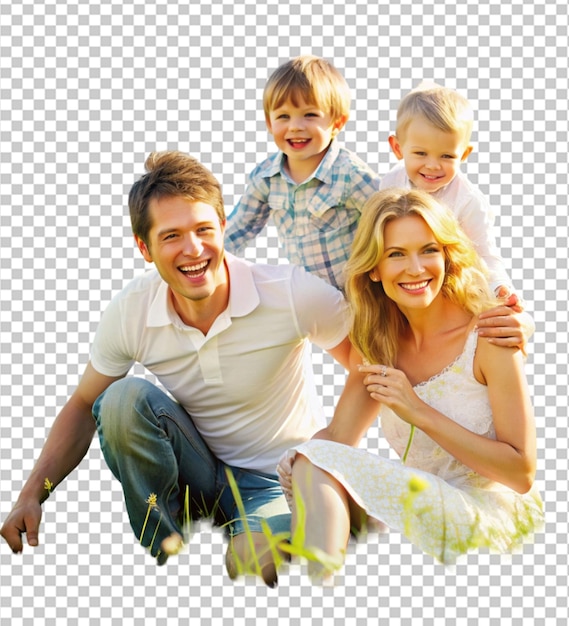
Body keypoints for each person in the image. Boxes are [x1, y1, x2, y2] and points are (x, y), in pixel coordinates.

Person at [0, 151, 351, 588]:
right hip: (192, 475)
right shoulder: (132, 310)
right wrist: (32, 493)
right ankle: (162, 551)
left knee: (255, 568)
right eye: (171, 236)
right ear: (144, 248)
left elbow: (370, 368)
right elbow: (83, 404)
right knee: (120, 400)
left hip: (270, 480)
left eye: (204, 229)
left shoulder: (291, 293)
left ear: (224, 228)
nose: (193, 249)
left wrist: (335, 445)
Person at [278, 188, 544, 580]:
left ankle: (319, 592)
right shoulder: (377, 344)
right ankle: (320, 590)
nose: (416, 268)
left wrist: (417, 410)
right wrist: (296, 467)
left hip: (490, 515)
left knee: (319, 462)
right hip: (421, 506)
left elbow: (521, 472)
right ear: (374, 268)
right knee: (313, 458)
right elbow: (337, 437)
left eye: (428, 250)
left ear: (447, 255)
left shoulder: (489, 333)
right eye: (396, 254)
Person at [224, 55, 380, 290]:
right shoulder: (266, 178)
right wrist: (208, 259)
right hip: (309, 298)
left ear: (337, 123)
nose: (295, 126)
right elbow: (240, 229)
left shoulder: (349, 174)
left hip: (360, 293)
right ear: (269, 123)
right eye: (283, 116)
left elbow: (390, 219)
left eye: (310, 115)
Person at [381, 81, 514, 298]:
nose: (433, 165)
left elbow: (486, 254)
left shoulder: (468, 201)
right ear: (398, 148)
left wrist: (499, 287)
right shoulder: (390, 183)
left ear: (463, 154)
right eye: (421, 154)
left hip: (453, 288)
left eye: (447, 156)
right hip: (407, 281)